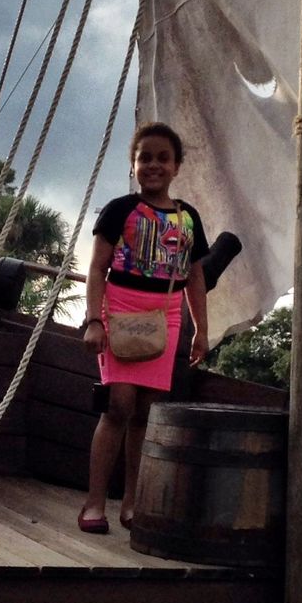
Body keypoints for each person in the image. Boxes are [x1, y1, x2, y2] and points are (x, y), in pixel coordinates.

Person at [78, 122, 208, 533]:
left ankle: (132, 503)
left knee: (146, 413)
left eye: (162, 158)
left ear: (176, 166)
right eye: (144, 157)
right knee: (119, 405)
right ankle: (94, 503)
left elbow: (196, 278)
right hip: (121, 308)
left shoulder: (188, 218)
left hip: (166, 314)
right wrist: (95, 320)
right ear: (133, 164)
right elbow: (97, 268)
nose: (153, 165)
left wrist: (201, 331)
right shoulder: (120, 210)